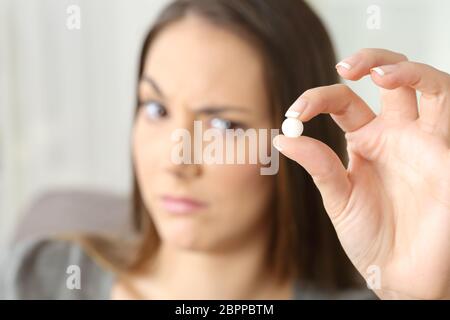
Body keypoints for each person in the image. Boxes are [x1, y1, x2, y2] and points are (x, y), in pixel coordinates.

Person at [1, 0, 448, 300]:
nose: (176, 161)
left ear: (298, 144)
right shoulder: (34, 277)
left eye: (225, 124)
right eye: (155, 108)